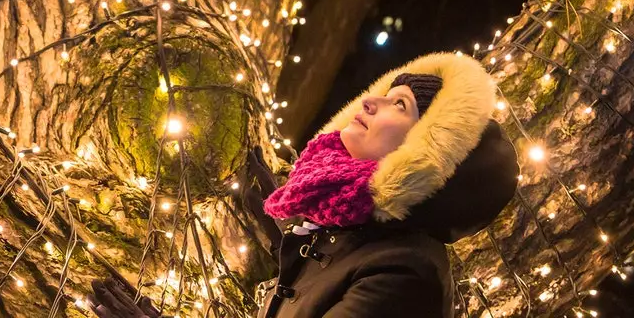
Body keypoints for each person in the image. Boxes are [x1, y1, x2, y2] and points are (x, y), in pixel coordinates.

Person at [90, 51, 519, 318]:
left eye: (399, 104)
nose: (371, 99)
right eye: (389, 92)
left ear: (428, 152)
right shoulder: (347, 230)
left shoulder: (405, 272)